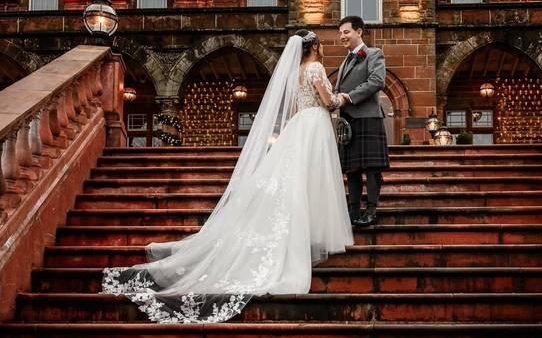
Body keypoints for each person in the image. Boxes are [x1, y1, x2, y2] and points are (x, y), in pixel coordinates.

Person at [101, 31, 353, 323]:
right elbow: (327, 100)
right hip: (314, 125)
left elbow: (296, 106)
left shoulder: (295, 73)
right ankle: (308, 233)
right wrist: (342, 98)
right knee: (309, 182)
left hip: (299, 126)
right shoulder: (316, 68)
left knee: (292, 183)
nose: (324, 48)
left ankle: (303, 230)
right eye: (321, 44)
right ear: (315, 47)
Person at [334, 15, 390, 227]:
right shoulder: (344, 62)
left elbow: (377, 81)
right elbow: (339, 91)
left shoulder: (374, 54)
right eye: (340, 33)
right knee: (352, 168)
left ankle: (372, 209)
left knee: (372, 167)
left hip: (368, 117)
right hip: (348, 121)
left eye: (346, 32)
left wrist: (348, 97)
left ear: (359, 31)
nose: (342, 36)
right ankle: (354, 210)